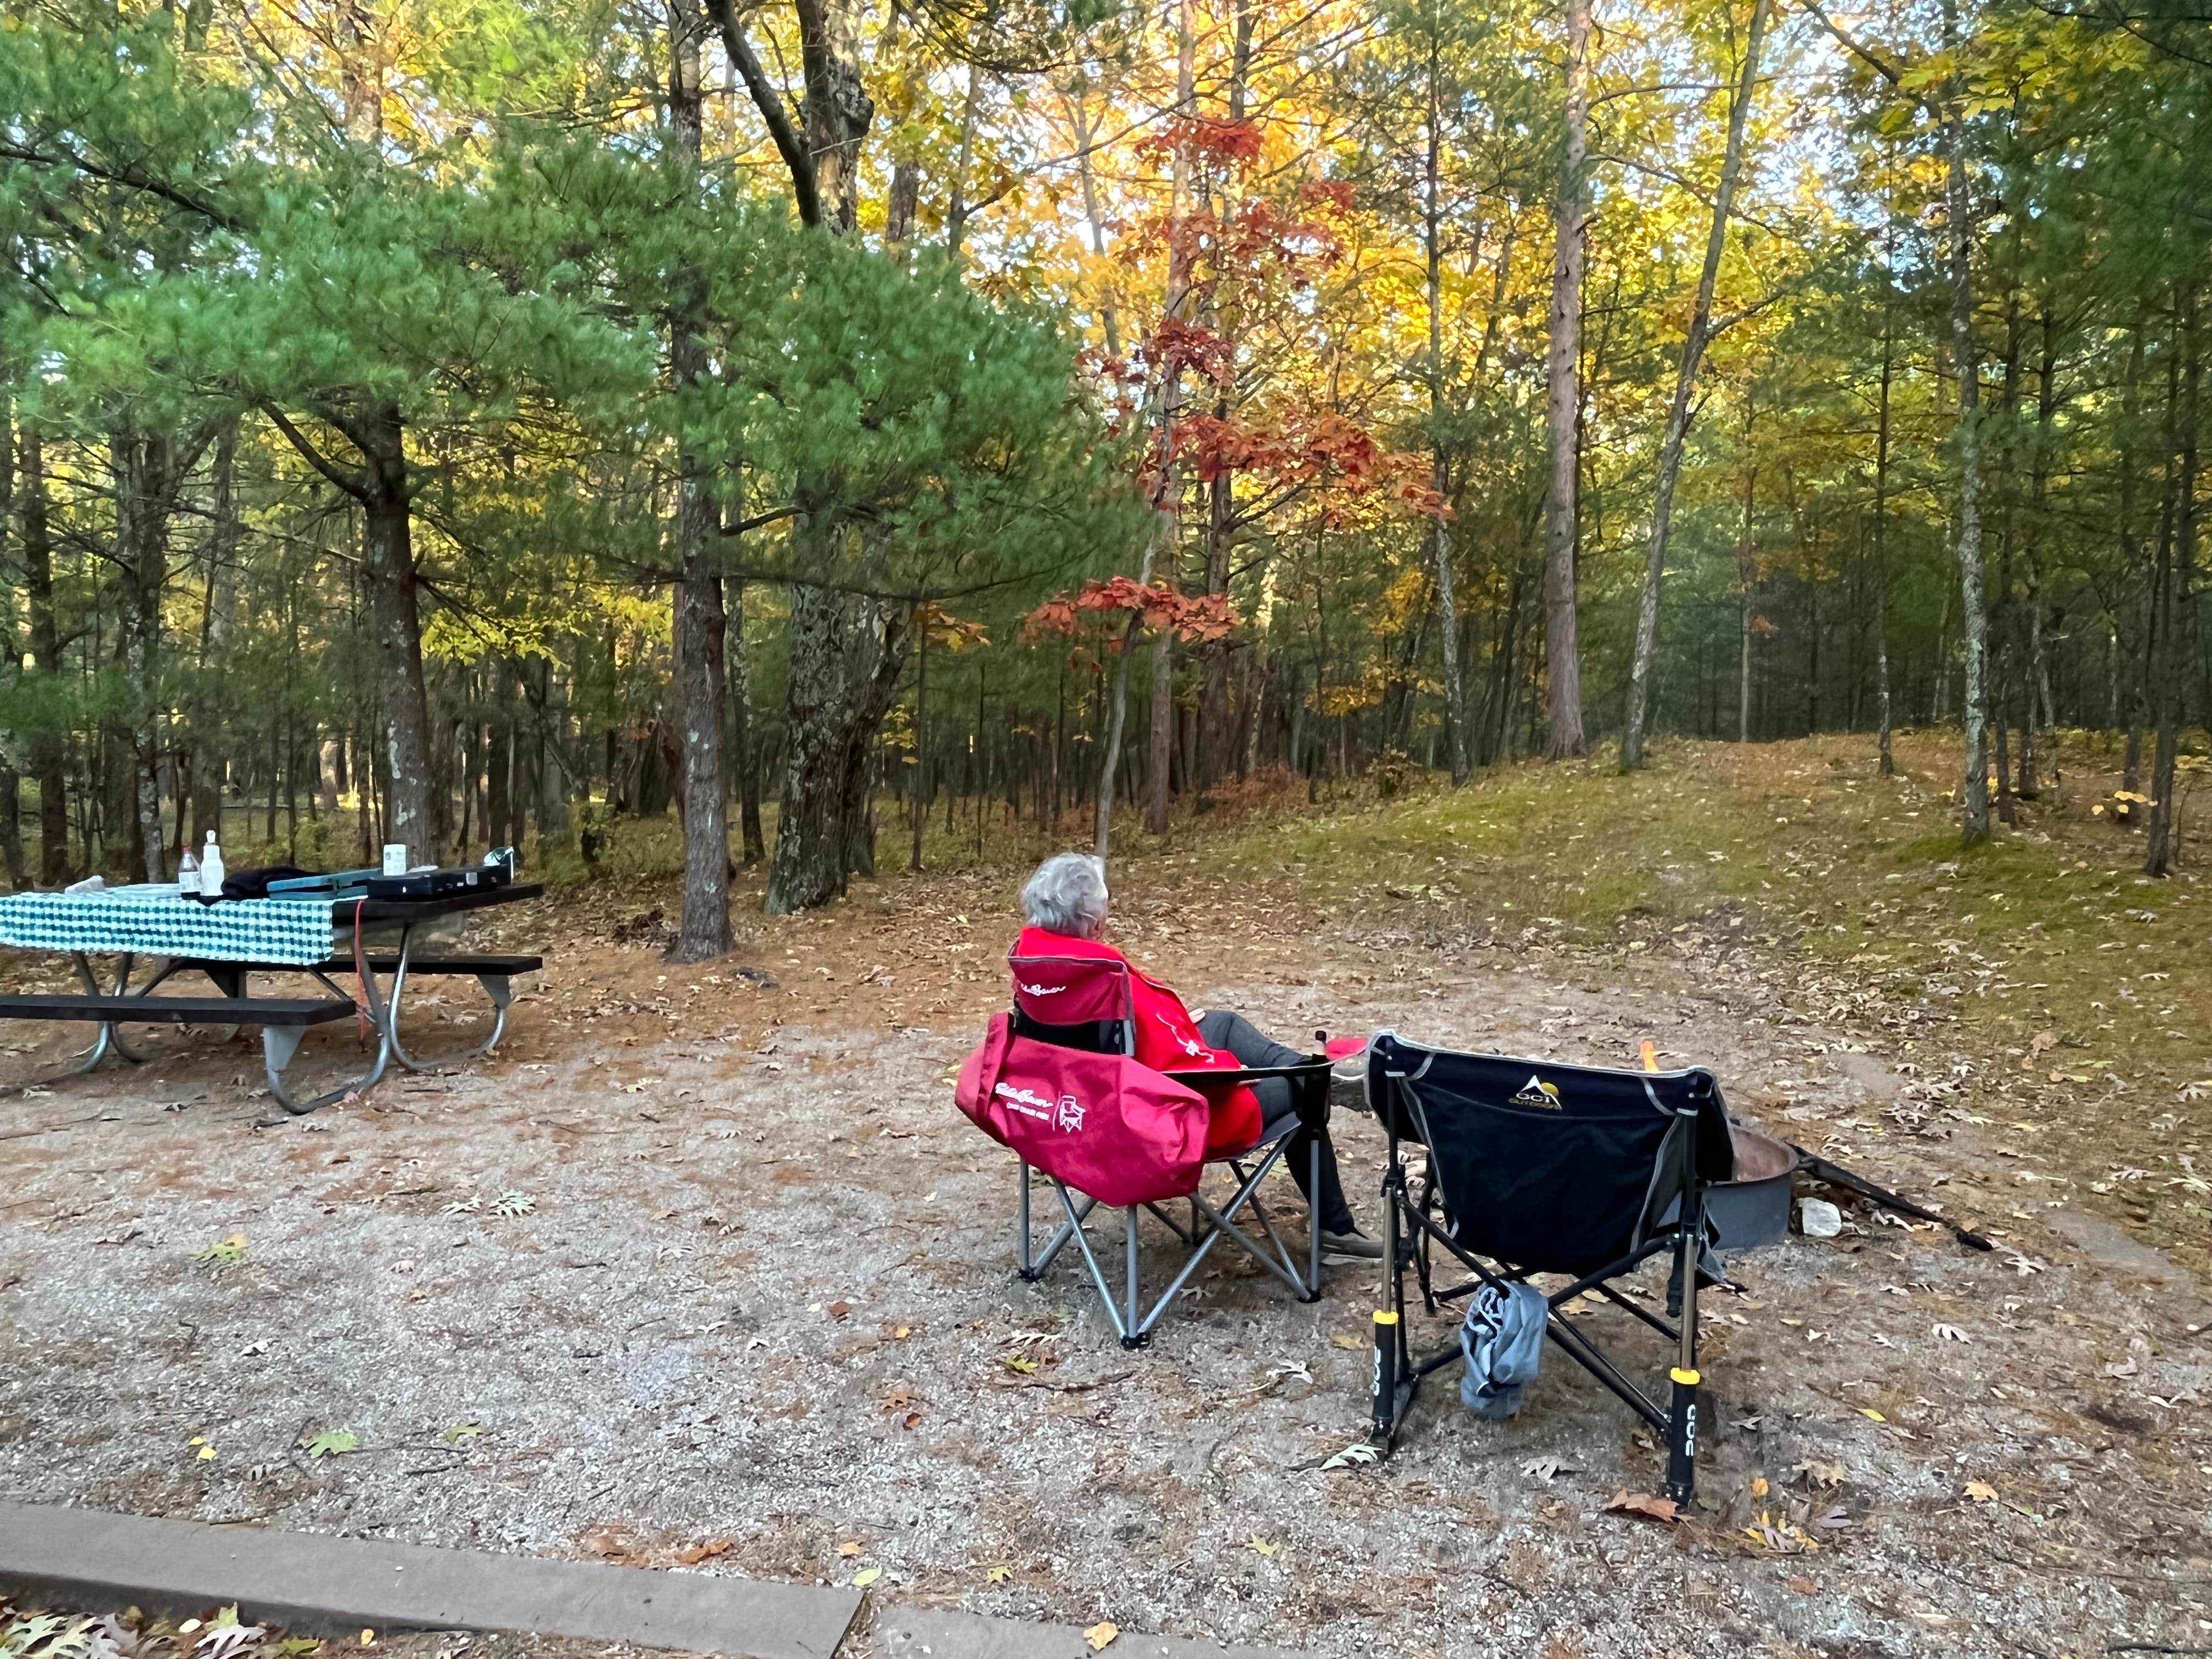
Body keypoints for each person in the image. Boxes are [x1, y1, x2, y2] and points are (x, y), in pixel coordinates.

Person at [1012, 851, 1380, 1260]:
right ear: (1095, 922)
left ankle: (1313, 1072)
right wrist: (1229, 1071)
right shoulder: (1105, 974)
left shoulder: (1034, 960)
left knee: (1223, 1024)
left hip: (1076, 1107)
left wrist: (1177, 1025)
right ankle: (1335, 1224)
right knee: (1306, 1091)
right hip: (1162, 1118)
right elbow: (1177, 1068)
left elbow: (1109, 1040)